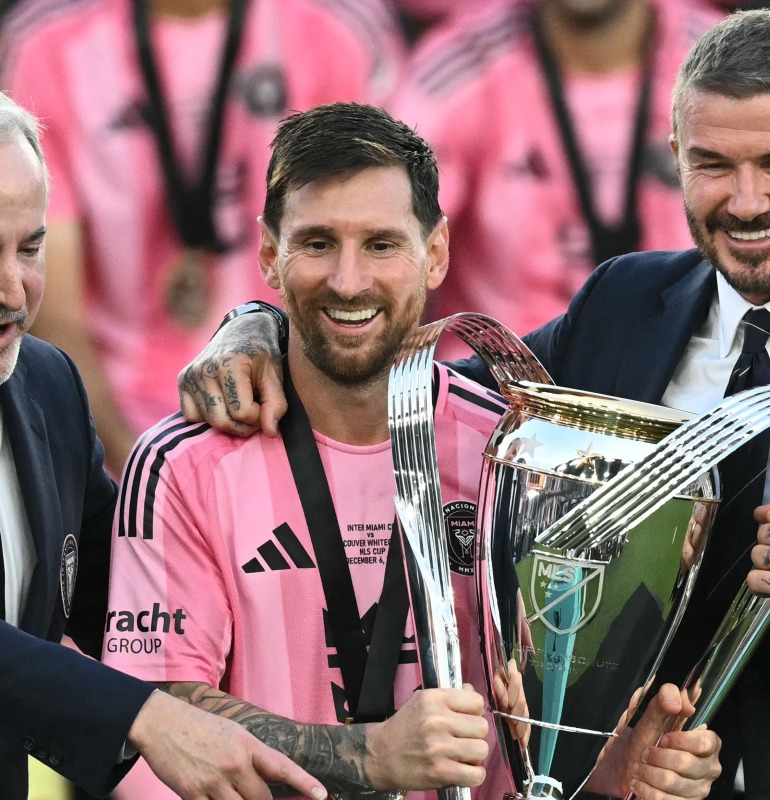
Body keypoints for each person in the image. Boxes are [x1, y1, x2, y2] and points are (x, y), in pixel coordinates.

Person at [181, 12, 770, 798]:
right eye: (713, 165)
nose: (747, 201)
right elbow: (437, 382)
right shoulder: (624, 304)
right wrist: (260, 326)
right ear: (673, 155)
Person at [106, 101, 722, 799]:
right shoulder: (187, 463)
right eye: (315, 244)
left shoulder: (518, 455)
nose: (347, 280)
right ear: (268, 257)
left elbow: (544, 724)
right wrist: (371, 754)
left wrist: (621, 770)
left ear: (436, 254)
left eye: (380, 244)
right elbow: (148, 723)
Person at [0, 90, 328, 800]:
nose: (12, 289)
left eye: (29, 248)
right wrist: (142, 717)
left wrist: (255, 323)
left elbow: (135, 597)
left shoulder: (47, 387)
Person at [0, 0, 404, 475]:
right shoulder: (48, 41)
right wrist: (142, 470)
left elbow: (367, 267)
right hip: (111, 437)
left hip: (287, 422)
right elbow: (48, 300)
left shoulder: (335, 27)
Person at [396, 0, 719, 358]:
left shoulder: (724, 62)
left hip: (686, 395)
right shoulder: (457, 69)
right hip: (498, 396)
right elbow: (387, 250)